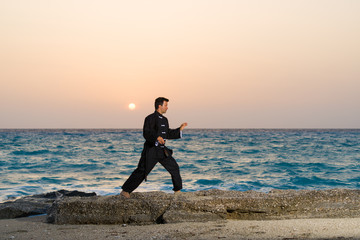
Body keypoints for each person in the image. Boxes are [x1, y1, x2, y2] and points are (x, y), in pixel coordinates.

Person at [120, 97, 188, 198]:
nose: (167, 108)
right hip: (151, 150)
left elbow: (168, 133)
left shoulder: (165, 120)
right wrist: (156, 138)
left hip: (162, 151)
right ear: (159, 106)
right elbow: (146, 133)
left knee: (174, 167)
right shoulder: (150, 118)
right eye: (166, 105)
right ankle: (125, 191)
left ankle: (177, 191)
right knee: (142, 170)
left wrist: (180, 129)